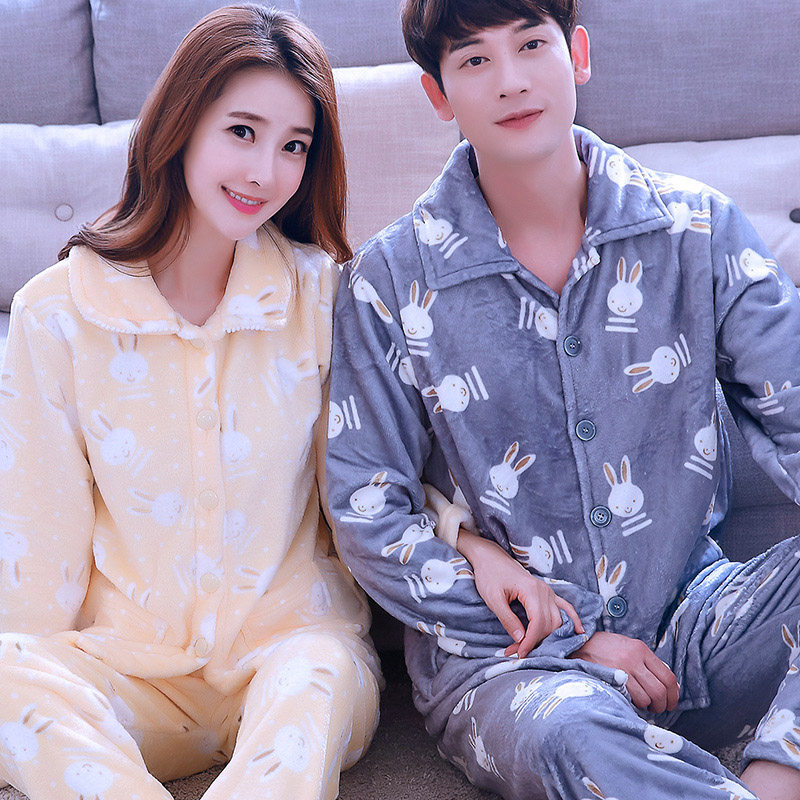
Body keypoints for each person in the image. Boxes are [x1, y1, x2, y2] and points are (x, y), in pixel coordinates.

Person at [325, 1, 800, 798]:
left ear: (577, 53)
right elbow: (368, 513)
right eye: (474, 60)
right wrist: (568, 640)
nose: (511, 81)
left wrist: (780, 762)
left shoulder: (698, 230)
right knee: (570, 737)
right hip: (512, 671)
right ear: (438, 94)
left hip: (698, 621)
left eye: (531, 44)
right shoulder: (386, 283)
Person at [0, 5, 381, 800]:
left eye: (294, 146)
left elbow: (369, 478)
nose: (265, 172)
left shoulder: (319, 295)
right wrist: (32, 675)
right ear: (179, 125)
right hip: (130, 670)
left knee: (316, 676)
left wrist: (460, 538)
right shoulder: (56, 313)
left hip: (289, 653)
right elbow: (37, 537)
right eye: (242, 131)